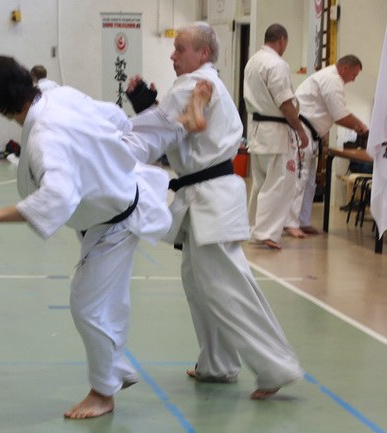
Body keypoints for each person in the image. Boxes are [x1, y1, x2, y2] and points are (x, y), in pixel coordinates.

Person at [0, 55, 178, 419]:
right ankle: (116, 370)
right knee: (106, 301)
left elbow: (58, 197)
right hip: (113, 203)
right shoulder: (57, 95)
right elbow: (114, 116)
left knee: (87, 305)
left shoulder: (44, 137)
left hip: (115, 221)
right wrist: (103, 157)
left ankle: (103, 392)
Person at [124, 22, 303, 399]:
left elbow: (159, 133)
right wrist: (147, 107)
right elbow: (173, 129)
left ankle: (275, 366)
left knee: (227, 286)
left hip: (211, 197)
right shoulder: (203, 84)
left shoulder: (194, 85)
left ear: (203, 53)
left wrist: (137, 114)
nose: (173, 55)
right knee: (200, 284)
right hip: (206, 195)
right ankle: (218, 363)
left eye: (181, 49)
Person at [243, 23, 309, 250]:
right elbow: (285, 103)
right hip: (276, 132)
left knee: (261, 183)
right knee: (279, 183)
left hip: (258, 130)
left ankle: (254, 228)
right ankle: (266, 232)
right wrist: (300, 129)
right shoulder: (277, 64)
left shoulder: (253, 61)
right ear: (282, 40)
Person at [287, 55, 368, 234]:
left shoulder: (330, 78)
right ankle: (291, 224)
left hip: (311, 134)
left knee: (309, 181)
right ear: (345, 68)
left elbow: (335, 113)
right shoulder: (332, 79)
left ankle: (302, 221)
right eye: (354, 75)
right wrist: (361, 126)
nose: (353, 79)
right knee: (299, 178)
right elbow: (340, 115)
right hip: (302, 131)